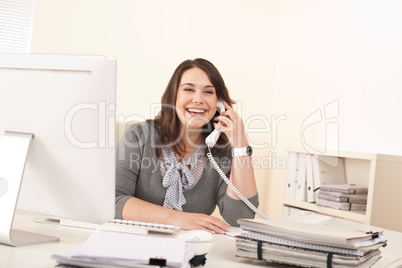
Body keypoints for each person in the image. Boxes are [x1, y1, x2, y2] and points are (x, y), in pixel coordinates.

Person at [115, 58, 259, 234]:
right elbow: (114, 202)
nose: (198, 99)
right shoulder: (138, 136)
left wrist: (241, 146)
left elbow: (239, 217)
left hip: (191, 250)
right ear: (174, 96)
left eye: (208, 92)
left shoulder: (223, 153)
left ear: (220, 104)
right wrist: (179, 219)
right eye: (188, 89)